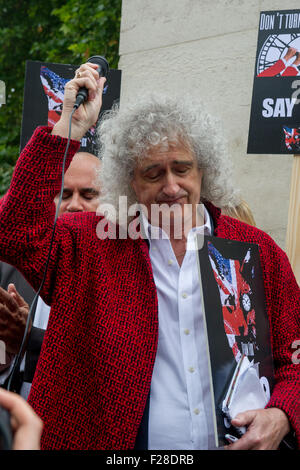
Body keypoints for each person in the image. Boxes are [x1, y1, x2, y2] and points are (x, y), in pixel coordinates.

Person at [0, 62, 299, 450]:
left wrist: (283, 414)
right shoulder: (91, 243)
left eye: (182, 169)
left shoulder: (255, 251)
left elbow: (294, 358)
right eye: (153, 173)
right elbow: (15, 230)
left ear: (203, 172)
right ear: (130, 181)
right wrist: (67, 131)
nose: (171, 186)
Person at [0, 151, 101, 395]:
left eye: (88, 195)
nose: (75, 205)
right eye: (63, 194)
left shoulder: (126, 274)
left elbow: (107, 358)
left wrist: (29, 340)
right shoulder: (8, 266)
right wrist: (5, 355)